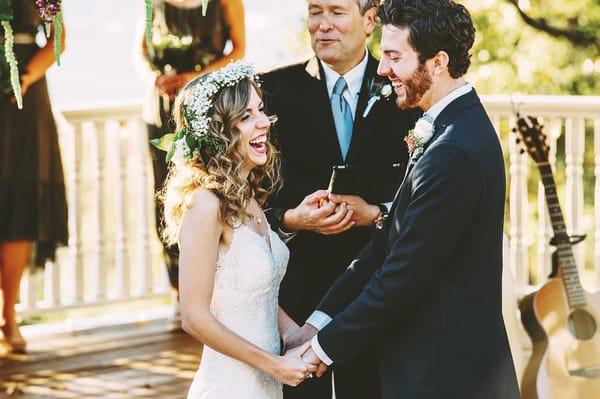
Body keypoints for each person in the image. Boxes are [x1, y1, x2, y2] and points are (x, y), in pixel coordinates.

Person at [297, 1, 521, 398]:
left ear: (437, 62)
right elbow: (384, 245)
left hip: (447, 376)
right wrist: (318, 320)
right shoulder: (447, 128)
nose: (382, 69)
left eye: (394, 57)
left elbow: (400, 278)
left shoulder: (455, 150)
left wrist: (320, 350)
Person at [260, 0, 419, 397]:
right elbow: (243, 202)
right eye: (316, 12)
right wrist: (290, 219)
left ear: (369, 21)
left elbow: (422, 192)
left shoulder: (404, 90)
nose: (323, 25)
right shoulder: (271, 92)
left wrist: (376, 214)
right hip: (294, 295)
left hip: (377, 290)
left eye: (337, 12)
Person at [157, 61, 317, 399]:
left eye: (260, 110)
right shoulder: (205, 204)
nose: (264, 123)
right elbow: (194, 318)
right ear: (219, 130)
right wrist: (273, 366)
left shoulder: (246, 195)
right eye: (246, 117)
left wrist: (295, 333)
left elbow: (251, 293)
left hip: (267, 384)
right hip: (231, 386)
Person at [139, 0, 245, 329]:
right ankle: (178, 291)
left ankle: (215, 292)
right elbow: (141, 48)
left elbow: (239, 49)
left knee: (212, 194)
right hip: (162, 108)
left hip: (207, 108)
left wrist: (196, 78)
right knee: (165, 198)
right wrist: (156, 76)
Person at [0, 1, 67, 354]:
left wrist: (23, 78)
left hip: (24, 97)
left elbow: (58, 38)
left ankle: (8, 314)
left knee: (20, 209)